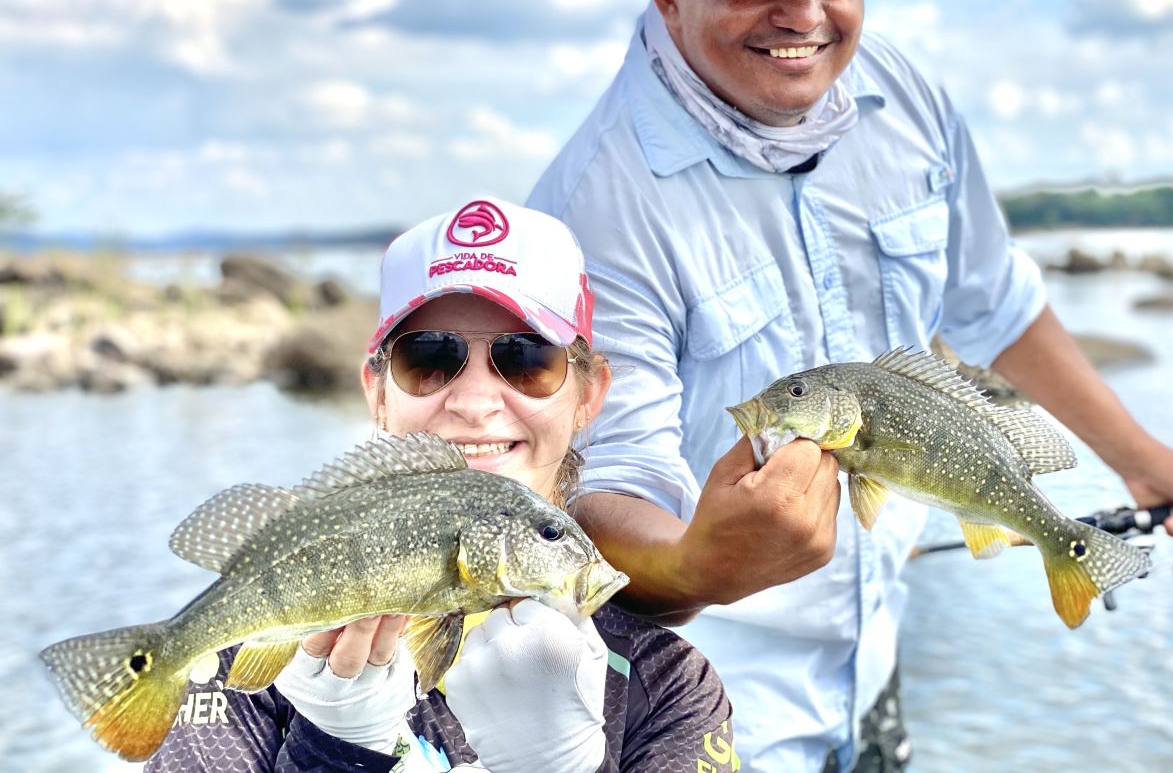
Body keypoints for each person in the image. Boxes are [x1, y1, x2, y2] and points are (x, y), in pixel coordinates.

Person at [527, 0, 1173, 772]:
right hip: (709, 706)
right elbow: (597, 490)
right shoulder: (593, 205)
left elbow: (994, 304)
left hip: (874, 667)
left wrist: (1141, 458)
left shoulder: (905, 98)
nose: (801, 13)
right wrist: (699, 565)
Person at [147, 197, 737, 773]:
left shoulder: (668, 688)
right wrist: (332, 748)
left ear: (589, 394)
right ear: (377, 392)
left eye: (527, 358)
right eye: (428, 358)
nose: (477, 403)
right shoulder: (225, 664)